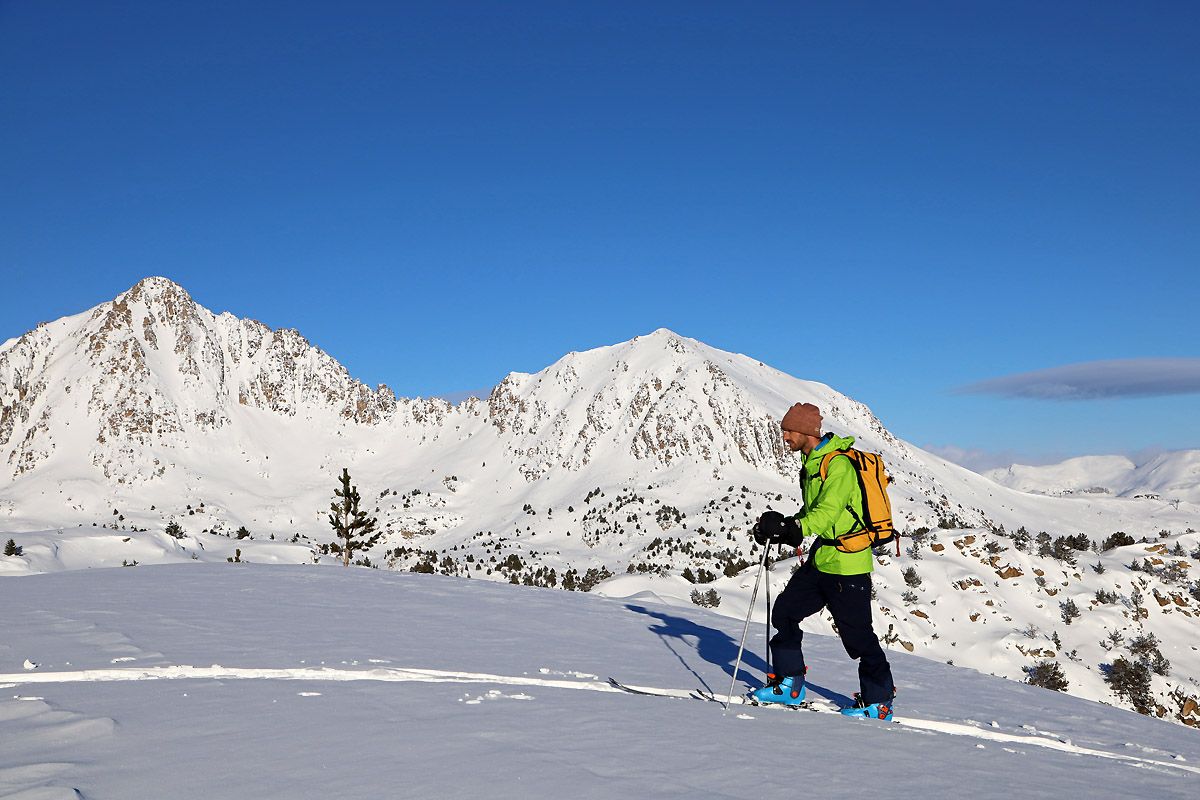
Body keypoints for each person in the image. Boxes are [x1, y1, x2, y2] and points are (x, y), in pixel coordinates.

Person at [750, 401, 896, 720]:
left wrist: (794, 527)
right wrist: (783, 528)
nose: (784, 436)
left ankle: (879, 701)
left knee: (858, 637)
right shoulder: (812, 462)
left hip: (848, 563)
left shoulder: (837, 465)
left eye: (789, 431)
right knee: (786, 612)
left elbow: (828, 511)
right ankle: (790, 684)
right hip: (822, 557)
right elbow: (814, 513)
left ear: (805, 432)